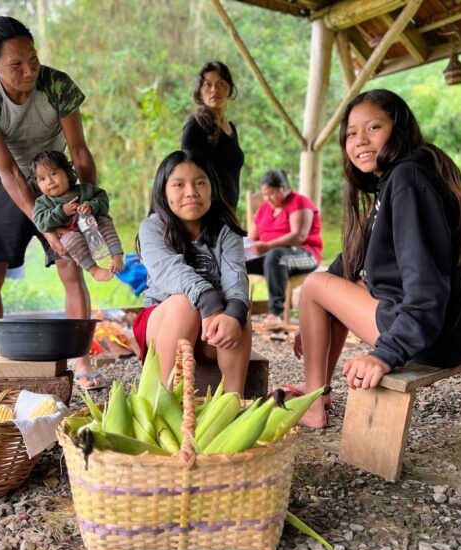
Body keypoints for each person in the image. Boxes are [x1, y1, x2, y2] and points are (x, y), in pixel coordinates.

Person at [294, 88, 461, 428]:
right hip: (451, 329)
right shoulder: (405, 176)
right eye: (351, 133)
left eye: (373, 127)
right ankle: (318, 393)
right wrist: (314, 318)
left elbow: (427, 286)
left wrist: (386, 353)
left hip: (434, 337)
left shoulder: (408, 181)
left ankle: (313, 402)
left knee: (312, 285)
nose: (360, 140)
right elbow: (353, 258)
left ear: (399, 129)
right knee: (326, 287)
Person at [0, 16, 103, 389]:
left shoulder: (57, 85)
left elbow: (79, 151)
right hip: (6, 179)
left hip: (55, 177)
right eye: (16, 65)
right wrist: (45, 224)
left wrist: (90, 204)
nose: (29, 71)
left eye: (33, 60)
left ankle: (82, 361)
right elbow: (9, 171)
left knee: (70, 263)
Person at [133, 149, 252, 394]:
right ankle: (163, 399)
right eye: (179, 184)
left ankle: (233, 401)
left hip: (210, 330)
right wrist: (208, 299)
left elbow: (236, 277)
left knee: (238, 315)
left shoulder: (225, 231)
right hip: (164, 325)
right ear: (163, 191)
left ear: (212, 189)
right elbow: (169, 269)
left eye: (200, 183)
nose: (191, 192)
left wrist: (234, 313)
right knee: (184, 304)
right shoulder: (152, 228)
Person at [30, 150, 125, 282]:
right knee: (72, 239)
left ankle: (117, 255)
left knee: (104, 222)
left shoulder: (85, 190)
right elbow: (40, 223)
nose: (50, 181)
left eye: (54, 173)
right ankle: (94, 269)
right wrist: (61, 212)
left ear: (67, 172)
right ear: (37, 183)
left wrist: (91, 206)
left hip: (93, 229)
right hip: (70, 236)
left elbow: (102, 199)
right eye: (42, 179)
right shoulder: (43, 203)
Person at [246, 169, 323, 330]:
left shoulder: (299, 202)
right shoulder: (264, 208)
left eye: (271, 193)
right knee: (235, 261)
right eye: (264, 194)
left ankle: (276, 314)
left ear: (283, 187)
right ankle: (231, 309)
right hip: (270, 257)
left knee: (276, 256)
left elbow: (299, 236)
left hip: (304, 254)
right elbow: (252, 237)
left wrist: (268, 246)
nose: (267, 198)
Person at [181, 61, 244, 209]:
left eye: (221, 84)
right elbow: (187, 173)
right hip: (206, 211)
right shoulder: (194, 126)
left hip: (229, 212)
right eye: (207, 85)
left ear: (230, 89)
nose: (214, 89)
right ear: (200, 92)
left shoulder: (231, 128)